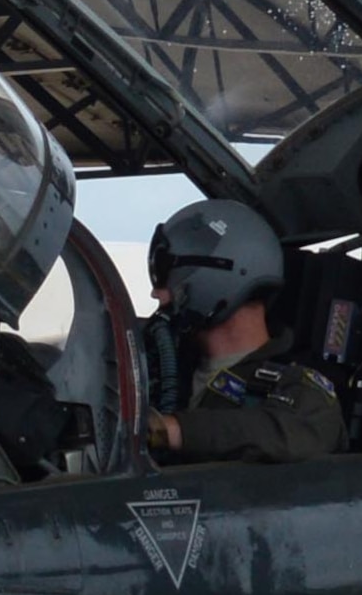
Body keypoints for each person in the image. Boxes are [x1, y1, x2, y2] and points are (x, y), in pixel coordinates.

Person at [142, 198, 342, 465]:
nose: (157, 292)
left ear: (220, 274)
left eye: (167, 274)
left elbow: (294, 434)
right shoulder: (159, 364)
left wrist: (170, 429)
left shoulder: (302, 391)